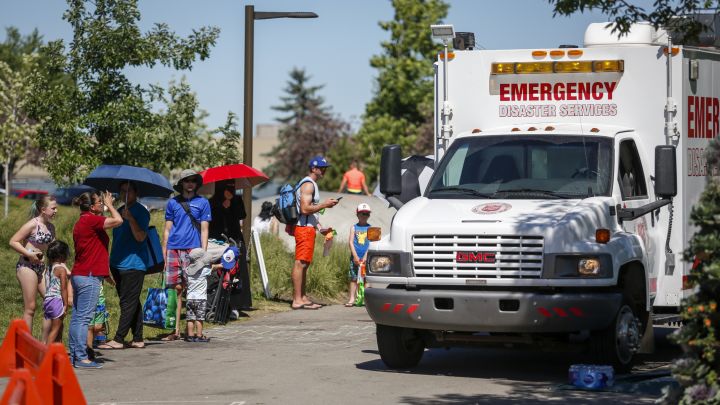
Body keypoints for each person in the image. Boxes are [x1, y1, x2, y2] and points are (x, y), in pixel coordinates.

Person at [69, 190, 122, 369]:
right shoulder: (91, 220)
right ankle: (82, 357)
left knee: (77, 318)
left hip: (81, 274)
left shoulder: (83, 221)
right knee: (83, 319)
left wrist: (105, 274)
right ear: (92, 206)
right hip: (89, 276)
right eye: (100, 202)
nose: (103, 204)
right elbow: (118, 221)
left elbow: (96, 246)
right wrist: (111, 205)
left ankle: (75, 355)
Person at [162, 169, 211, 341]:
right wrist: (164, 250)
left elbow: (205, 229)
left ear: (197, 183)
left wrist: (203, 254)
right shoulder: (173, 203)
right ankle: (174, 330)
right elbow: (167, 229)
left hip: (194, 251)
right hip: (174, 249)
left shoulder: (203, 202)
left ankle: (194, 330)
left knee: (194, 290)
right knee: (175, 291)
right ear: (181, 183)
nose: (190, 183)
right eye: (186, 180)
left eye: (193, 180)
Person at [103, 181, 150, 349]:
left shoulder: (141, 212)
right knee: (130, 301)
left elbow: (140, 237)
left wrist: (130, 219)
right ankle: (138, 338)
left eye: (128, 191)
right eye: (122, 191)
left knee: (128, 302)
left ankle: (118, 338)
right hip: (117, 263)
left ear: (135, 193)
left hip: (134, 264)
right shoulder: (120, 210)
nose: (125, 194)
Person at [291, 155, 339, 310]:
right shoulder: (308, 185)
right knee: (300, 263)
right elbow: (305, 209)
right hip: (303, 229)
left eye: (325, 168)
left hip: (308, 228)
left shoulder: (311, 184)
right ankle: (297, 299)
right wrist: (325, 204)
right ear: (313, 168)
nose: (324, 170)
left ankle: (302, 297)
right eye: (322, 168)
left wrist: (320, 227)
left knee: (305, 264)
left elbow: (310, 212)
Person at [9, 195, 57, 338]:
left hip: (41, 268)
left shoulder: (51, 227)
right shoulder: (32, 224)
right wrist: (29, 254)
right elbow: (13, 241)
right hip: (27, 267)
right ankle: (26, 343)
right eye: (53, 208)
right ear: (43, 209)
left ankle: (44, 345)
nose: (56, 211)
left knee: (51, 303)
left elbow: (51, 248)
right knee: (30, 307)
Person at [208, 180, 252, 312]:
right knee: (221, 272)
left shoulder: (237, 199)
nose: (230, 190)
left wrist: (231, 205)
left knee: (239, 272)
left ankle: (238, 304)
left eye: (232, 188)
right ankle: (217, 303)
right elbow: (210, 220)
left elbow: (242, 215)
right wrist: (221, 207)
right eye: (227, 188)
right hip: (217, 242)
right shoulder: (212, 202)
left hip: (235, 239)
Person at [184, 248, 214, 343]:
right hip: (200, 299)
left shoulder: (187, 270)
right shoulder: (205, 270)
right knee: (199, 318)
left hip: (190, 298)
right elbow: (213, 268)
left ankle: (190, 336)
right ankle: (199, 335)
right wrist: (222, 265)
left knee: (190, 318)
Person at [345, 203, 372, 307]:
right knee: (354, 278)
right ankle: (352, 298)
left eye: (366, 214)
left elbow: (372, 243)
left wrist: (366, 256)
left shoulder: (371, 228)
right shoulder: (354, 227)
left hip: (367, 258)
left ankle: (365, 298)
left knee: (366, 278)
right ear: (357, 214)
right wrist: (355, 256)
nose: (364, 216)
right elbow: (351, 242)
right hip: (355, 258)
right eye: (362, 214)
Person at [44, 240, 70, 344]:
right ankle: (46, 355)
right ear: (61, 255)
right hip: (57, 301)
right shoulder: (61, 269)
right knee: (54, 330)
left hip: (48, 300)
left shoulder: (48, 268)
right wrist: (66, 304)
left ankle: (57, 350)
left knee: (59, 327)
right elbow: (63, 288)